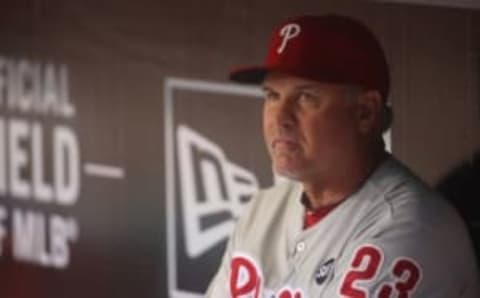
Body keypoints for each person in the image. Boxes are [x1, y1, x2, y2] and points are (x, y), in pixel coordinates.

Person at [206, 14, 479, 297]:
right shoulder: (261, 212)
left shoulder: (411, 230)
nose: (280, 118)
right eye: (272, 96)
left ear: (365, 113)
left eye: (305, 97)